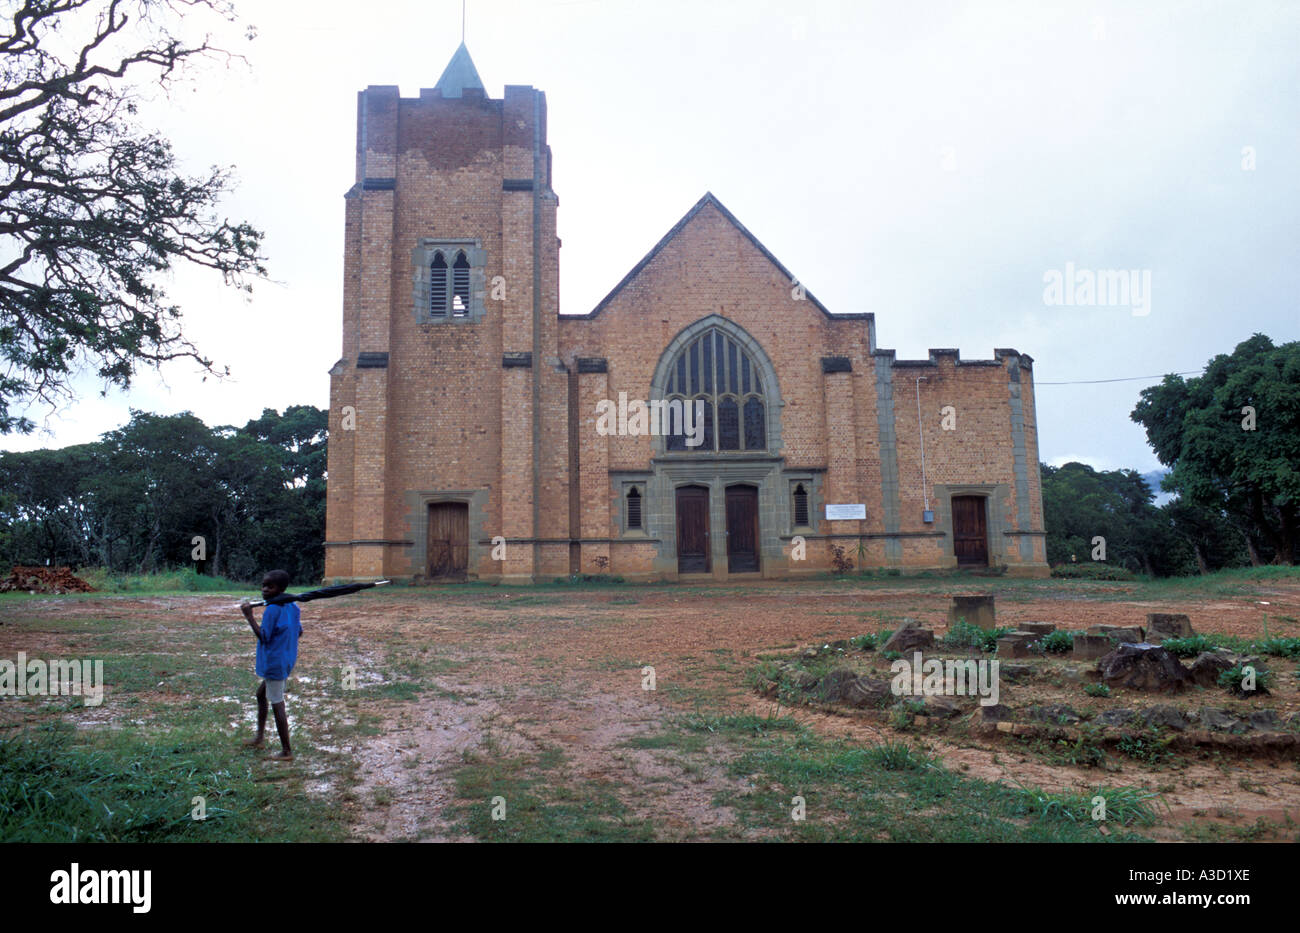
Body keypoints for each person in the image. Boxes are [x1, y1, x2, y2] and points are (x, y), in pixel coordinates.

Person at [239, 570, 302, 761]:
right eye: (263, 585)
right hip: (286, 659)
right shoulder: (293, 606)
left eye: (270, 586)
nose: (264, 590)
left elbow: (264, 637)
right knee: (261, 695)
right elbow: (299, 632)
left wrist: (249, 616)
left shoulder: (272, 609)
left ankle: (287, 751)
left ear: (280, 589)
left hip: (275, 662)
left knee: (277, 702)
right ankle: (259, 737)